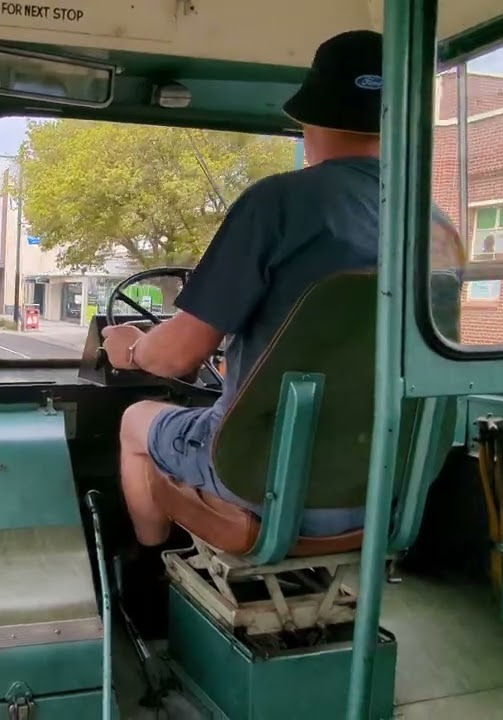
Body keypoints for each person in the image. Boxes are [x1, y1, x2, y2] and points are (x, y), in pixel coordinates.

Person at [101, 29, 386, 551]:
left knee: (135, 422)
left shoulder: (277, 204)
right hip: (384, 487)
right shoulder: (433, 223)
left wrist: (133, 348)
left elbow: (180, 353)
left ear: (309, 118)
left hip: (262, 481)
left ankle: (147, 579)